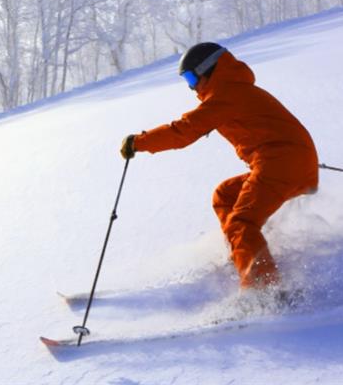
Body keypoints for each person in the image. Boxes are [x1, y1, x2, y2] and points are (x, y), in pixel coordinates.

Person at [120, 42, 318, 291]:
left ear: (209, 70)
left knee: (242, 222)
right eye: (186, 80)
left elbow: (183, 131)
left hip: (281, 162)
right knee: (225, 195)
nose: (191, 87)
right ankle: (243, 255)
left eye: (191, 77)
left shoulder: (226, 95)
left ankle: (265, 290)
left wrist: (139, 142)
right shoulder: (233, 92)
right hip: (288, 161)